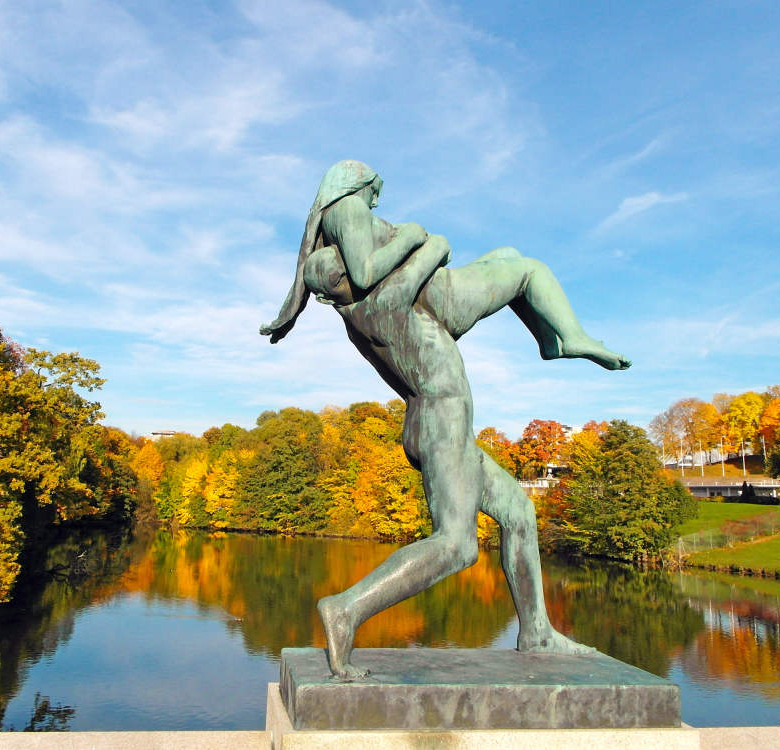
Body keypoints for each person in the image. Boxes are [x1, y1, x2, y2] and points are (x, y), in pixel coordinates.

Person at [261, 160, 629, 679]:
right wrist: (418, 236)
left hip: (431, 422)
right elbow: (430, 251)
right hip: (441, 418)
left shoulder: (359, 315)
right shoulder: (379, 303)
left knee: (520, 514)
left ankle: (537, 630)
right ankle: (346, 608)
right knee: (456, 545)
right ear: (340, 285)